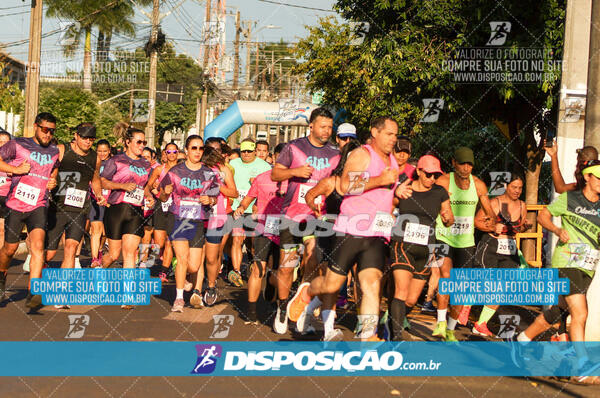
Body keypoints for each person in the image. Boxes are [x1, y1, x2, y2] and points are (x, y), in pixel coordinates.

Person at [288, 116, 405, 341]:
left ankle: (368, 335)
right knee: (333, 283)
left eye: (395, 134)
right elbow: (344, 186)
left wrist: (398, 192)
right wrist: (380, 180)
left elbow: (386, 192)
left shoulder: (392, 160)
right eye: (389, 134)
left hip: (378, 233)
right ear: (375, 132)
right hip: (351, 229)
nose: (394, 139)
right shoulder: (362, 154)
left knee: (371, 284)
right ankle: (307, 291)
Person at [512, 159, 600, 384]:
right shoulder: (571, 198)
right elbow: (543, 216)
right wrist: (557, 230)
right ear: (588, 177)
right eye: (598, 178)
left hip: (588, 266)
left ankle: (522, 339)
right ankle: (581, 366)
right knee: (580, 313)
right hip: (567, 262)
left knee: (559, 311)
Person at [271, 107, 341, 334]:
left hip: (317, 216)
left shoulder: (335, 152)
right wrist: (295, 172)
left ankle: (301, 308)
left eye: (330, 127)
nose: (327, 131)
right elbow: (275, 174)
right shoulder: (294, 147)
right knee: (287, 267)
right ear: (311, 126)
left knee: (312, 259)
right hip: (292, 215)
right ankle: (282, 308)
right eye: (323, 126)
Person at [432, 147, 495, 341]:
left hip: (466, 241)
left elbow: (489, 212)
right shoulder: (443, 181)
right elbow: (428, 201)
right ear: (453, 163)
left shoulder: (478, 185)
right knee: (446, 276)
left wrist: (489, 220)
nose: (466, 168)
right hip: (443, 237)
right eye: (462, 164)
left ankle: (450, 329)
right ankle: (441, 322)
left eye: (469, 164)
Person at [388, 155, 453, 340]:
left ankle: (391, 322)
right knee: (400, 291)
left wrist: (448, 218)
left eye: (435, 175)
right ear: (418, 171)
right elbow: (387, 209)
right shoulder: (405, 190)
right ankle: (397, 337)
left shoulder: (440, 192)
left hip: (426, 249)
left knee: (411, 299)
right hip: (402, 245)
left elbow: (449, 218)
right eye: (429, 174)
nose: (432, 179)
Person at [0, 112, 60, 309]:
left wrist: (53, 181)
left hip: (39, 204)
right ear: (36, 126)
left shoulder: (54, 151)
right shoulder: (17, 144)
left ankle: (34, 293)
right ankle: (1, 276)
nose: (48, 134)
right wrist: (15, 170)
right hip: (16, 204)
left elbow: (54, 170)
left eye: (52, 131)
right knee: (10, 249)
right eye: (45, 129)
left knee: (38, 247)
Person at [45, 123, 106, 309]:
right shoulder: (62, 150)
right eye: (84, 137)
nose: (88, 141)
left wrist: (99, 194)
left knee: (71, 248)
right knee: (49, 253)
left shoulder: (95, 157)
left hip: (79, 209)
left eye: (91, 138)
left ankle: (62, 293)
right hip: (57, 207)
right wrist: (50, 181)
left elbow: (95, 179)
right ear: (76, 136)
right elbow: (47, 168)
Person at [158, 137, 220, 313]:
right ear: (186, 150)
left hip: (197, 220)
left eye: (201, 148)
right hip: (177, 218)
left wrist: (210, 199)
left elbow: (215, 197)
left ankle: (182, 274)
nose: (198, 151)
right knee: (183, 259)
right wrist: (165, 193)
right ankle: (178, 298)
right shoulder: (175, 171)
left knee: (193, 265)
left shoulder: (209, 173)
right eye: (194, 148)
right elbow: (162, 196)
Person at [100, 128, 154, 309]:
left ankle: (128, 296)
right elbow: (102, 181)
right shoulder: (116, 160)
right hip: (117, 209)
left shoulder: (146, 164)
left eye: (144, 142)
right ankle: (98, 271)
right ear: (128, 143)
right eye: (138, 142)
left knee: (130, 253)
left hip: (136, 211)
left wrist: (149, 196)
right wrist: (121, 186)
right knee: (114, 255)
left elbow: (145, 187)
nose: (142, 146)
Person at [472, 173, 529, 337]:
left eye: (520, 188)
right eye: (514, 187)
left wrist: (525, 227)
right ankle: (467, 302)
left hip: (510, 249)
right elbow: (477, 222)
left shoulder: (522, 206)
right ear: (506, 186)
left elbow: (519, 229)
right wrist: (491, 228)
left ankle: (481, 323)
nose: (517, 191)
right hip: (491, 246)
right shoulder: (494, 203)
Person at [234, 165, 285, 324]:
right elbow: (247, 200)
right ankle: (251, 312)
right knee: (257, 268)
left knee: (280, 272)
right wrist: (241, 207)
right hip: (265, 227)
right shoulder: (262, 178)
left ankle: (274, 292)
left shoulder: (294, 180)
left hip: (287, 228)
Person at [227, 138, 271, 287]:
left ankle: (253, 262)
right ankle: (237, 271)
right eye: (243, 151)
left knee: (253, 243)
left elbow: (269, 189)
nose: (246, 154)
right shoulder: (233, 164)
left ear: (254, 151)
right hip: (237, 208)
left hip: (255, 209)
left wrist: (258, 200)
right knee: (237, 239)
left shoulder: (264, 166)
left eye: (249, 151)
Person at [203, 138, 237, 306]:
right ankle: (198, 282)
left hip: (219, 215)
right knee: (194, 255)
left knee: (214, 255)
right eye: (211, 150)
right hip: (196, 215)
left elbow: (234, 193)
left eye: (217, 150)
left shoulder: (224, 170)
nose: (214, 153)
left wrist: (218, 186)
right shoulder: (197, 168)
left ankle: (210, 284)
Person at [144, 142, 179, 282]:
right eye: (168, 152)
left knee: (170, 241)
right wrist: (150, 195)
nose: (171, 154)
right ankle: (145, 262)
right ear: (164, 153)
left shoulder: (183, 169)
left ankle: (164, 271)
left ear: (178, 153)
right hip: (161, 205)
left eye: (174, 152)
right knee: (159, 242)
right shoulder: (159, 169)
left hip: (176, 208)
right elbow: (147, 187)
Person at [89, 139, 112, 268]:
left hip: (109, 201)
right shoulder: (92, 161)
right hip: (95, 198)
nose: (102, 154)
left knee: (105, 232)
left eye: (104, 151)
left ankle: (100, 249)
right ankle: (94, 259)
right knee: (96, 230)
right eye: (99, 151)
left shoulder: (114, 163)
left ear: (109, 151)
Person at [0, 130, 12, 249]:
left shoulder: (15, 159)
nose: (3, 144)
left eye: (6, 142)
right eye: (0, 142)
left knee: (2, 229)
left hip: (6, 197)